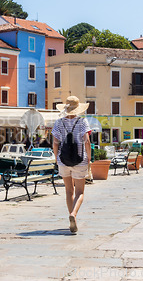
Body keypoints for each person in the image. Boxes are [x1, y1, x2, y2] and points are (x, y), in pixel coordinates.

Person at [52, 96, 91, 234]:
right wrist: (89, 158)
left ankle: (71, 217)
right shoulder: (82, 122)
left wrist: (57, 159)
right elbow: (87, 141)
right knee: (80, 191)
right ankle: (73, 214)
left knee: (69, 190)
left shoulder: (58, 123)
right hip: (80, 160)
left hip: (63, 160)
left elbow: (55, 143)